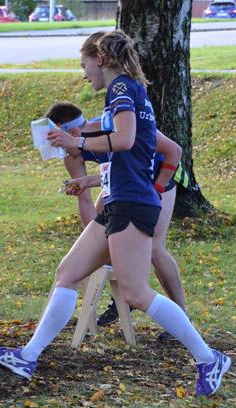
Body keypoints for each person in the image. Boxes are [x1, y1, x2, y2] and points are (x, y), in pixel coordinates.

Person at [0, 31, 230, 396]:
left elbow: (126, 139)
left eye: (84, 64)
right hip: (117, 200)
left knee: (135, 292)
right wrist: (79, 153)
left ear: (100, 59)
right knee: (67, 273)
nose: (84, 73)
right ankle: (28, 356)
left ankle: (209, 359)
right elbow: (126, 147)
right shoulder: (128, 92)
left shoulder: (120, 89)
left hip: (131, 202)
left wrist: (77, 141)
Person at [45, 101, 187, 336]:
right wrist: (97, 246)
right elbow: (86, 202)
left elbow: (174, 151)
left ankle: (181, 315)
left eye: (60, 145)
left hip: (158, 176)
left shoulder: (116, 126)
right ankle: (124, 297)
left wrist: (157, 189)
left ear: (72, 133)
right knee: (107, 240)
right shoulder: (72, 157)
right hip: (122, 182)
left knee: (154, 248)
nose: (62, 152)